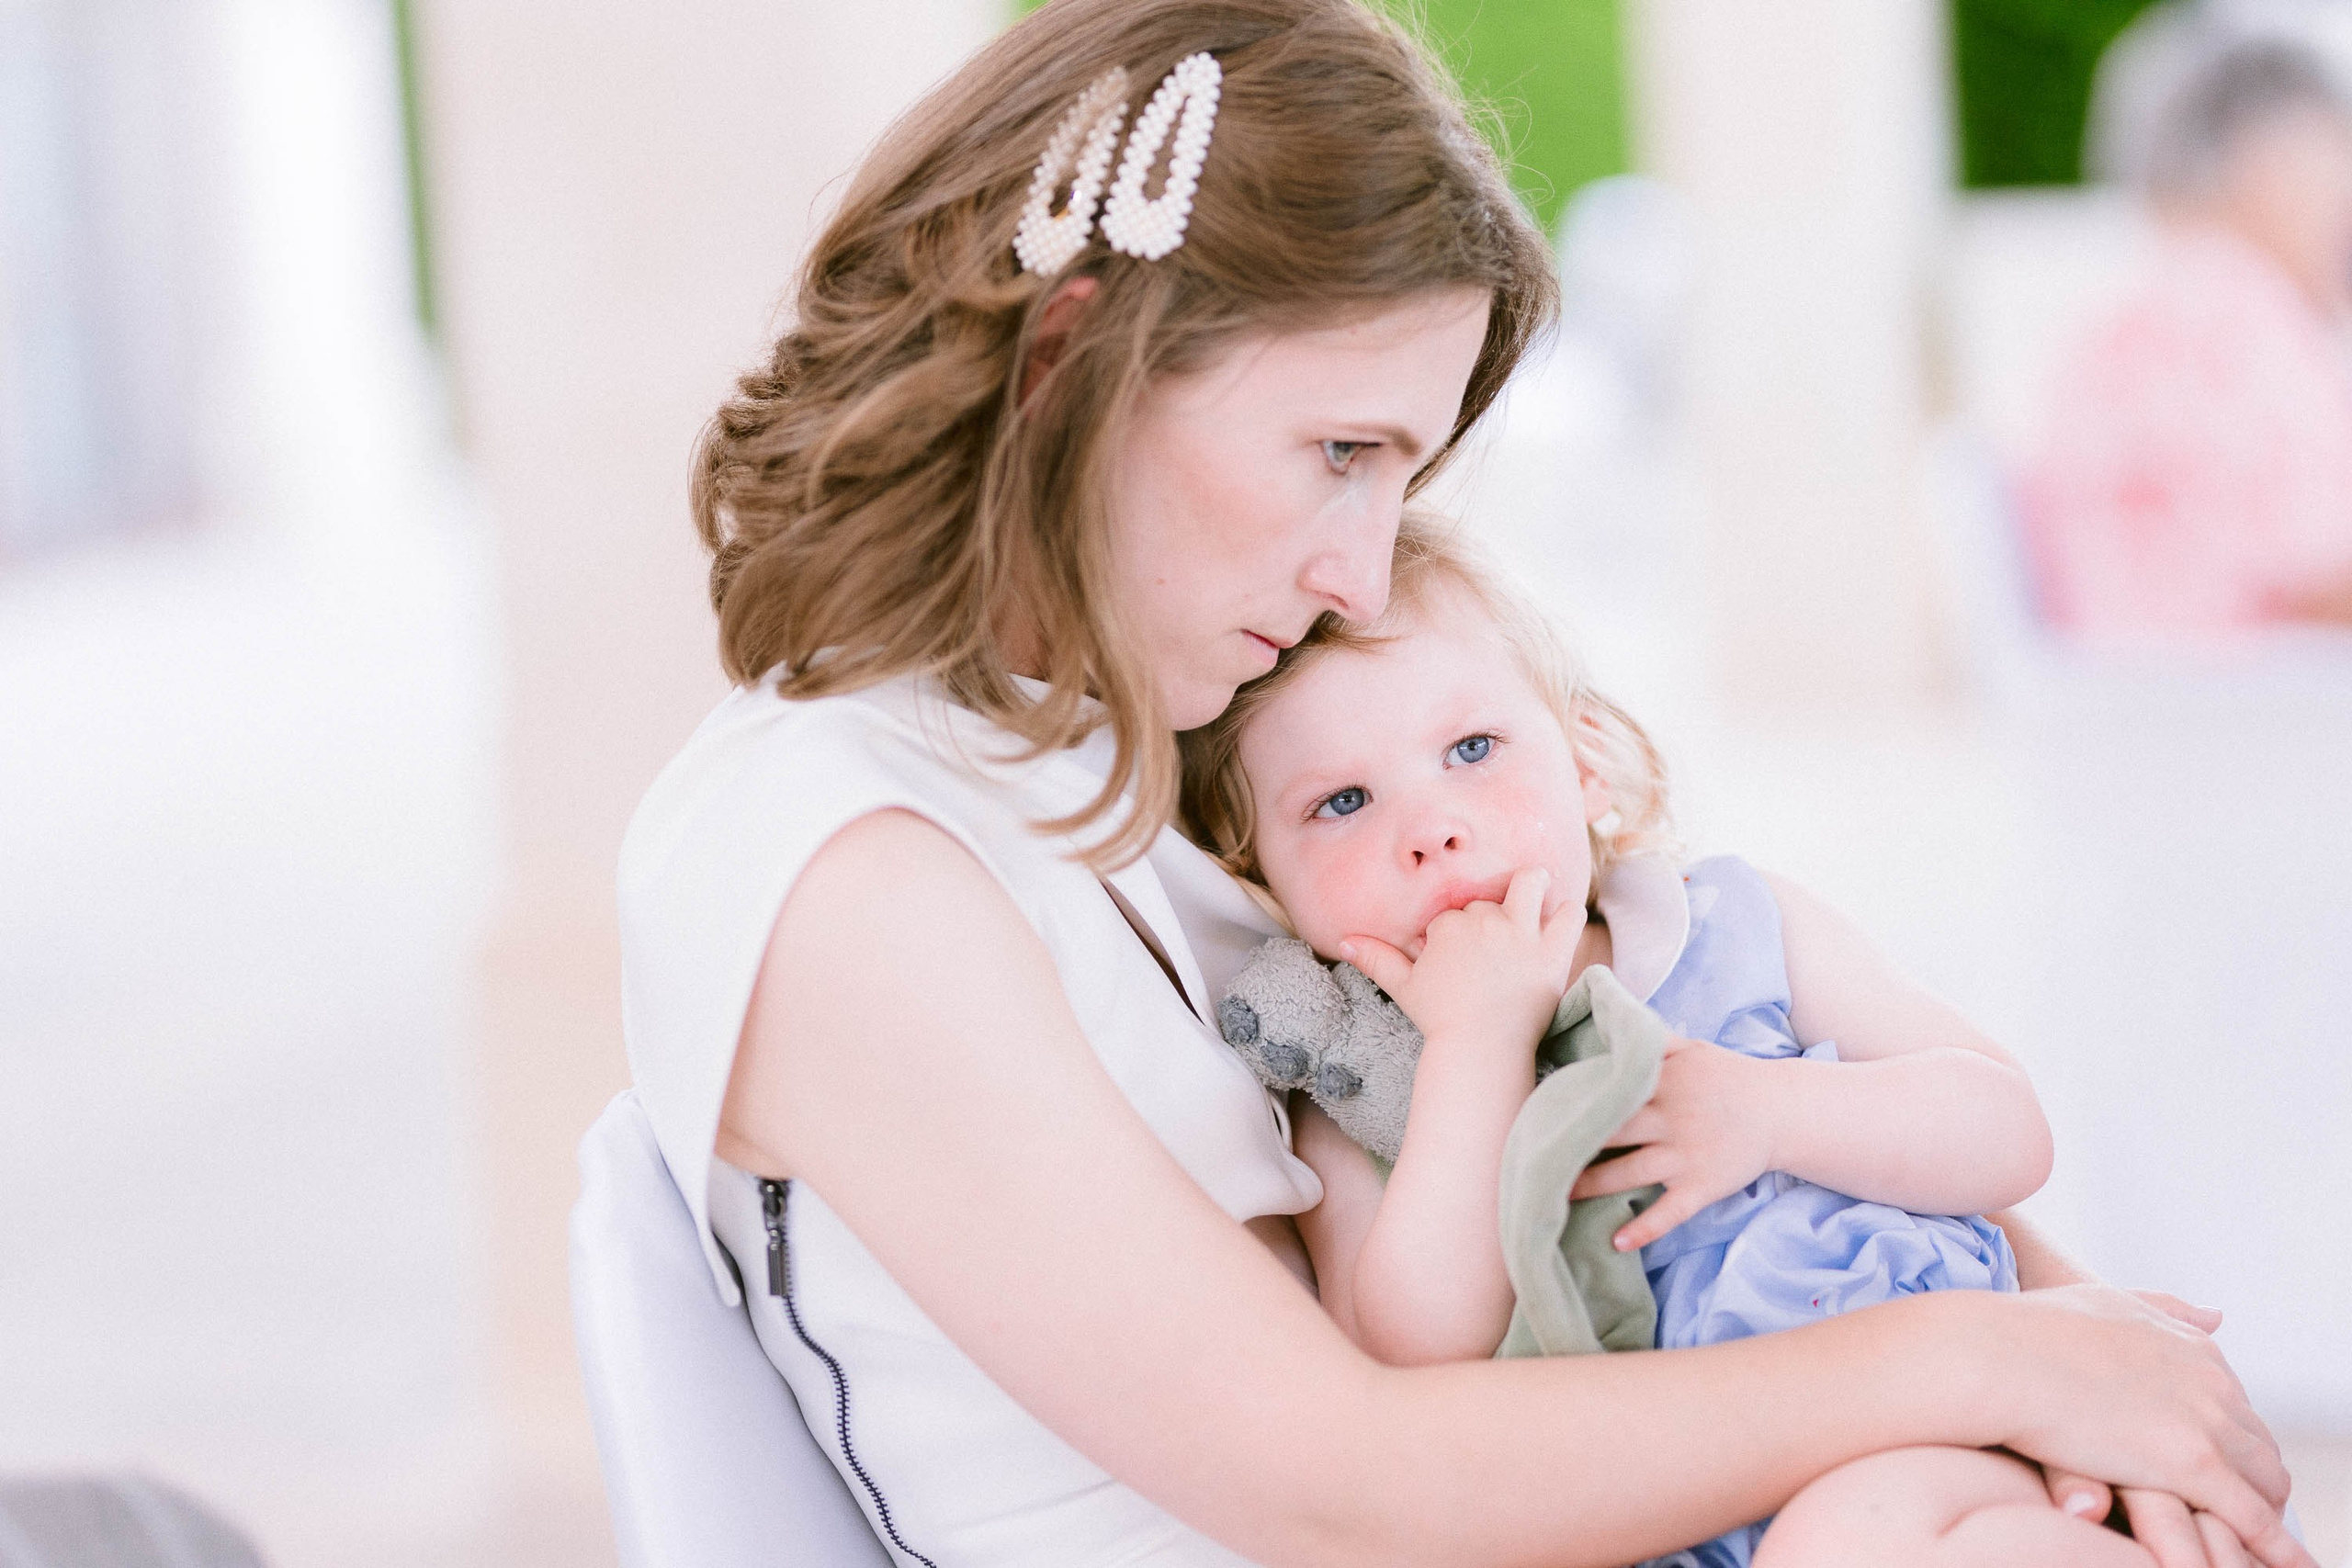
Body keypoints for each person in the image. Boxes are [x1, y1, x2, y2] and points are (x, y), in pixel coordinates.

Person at [617, 1, 2312, 1564]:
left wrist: (2087, 1363)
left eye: (1400, 475)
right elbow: (1339, 1479)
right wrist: (1975, 1359)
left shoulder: (1135, 754)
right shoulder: (847, 863)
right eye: (1340, 453)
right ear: (1075, 359)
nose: (1362, 574)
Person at [1179, 520, 2076, 1566]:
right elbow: (1414, 1348)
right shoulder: (1358, 1087)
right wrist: (1477, 1047)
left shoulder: (1732, 929)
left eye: (1472, 749)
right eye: (1341, 802)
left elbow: (2007, 1132)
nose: (1430, 828)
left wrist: (1774, 1113)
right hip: (1677, 1507)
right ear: (1263, 883)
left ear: (1588, 760)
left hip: (1943, 1431)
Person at [2024, 37, 2352, 637]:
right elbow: (2325, 575)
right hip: (2253, 712)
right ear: (2266, 163)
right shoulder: (2228, 312)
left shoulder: (2123, 326)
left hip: (2153, 706)